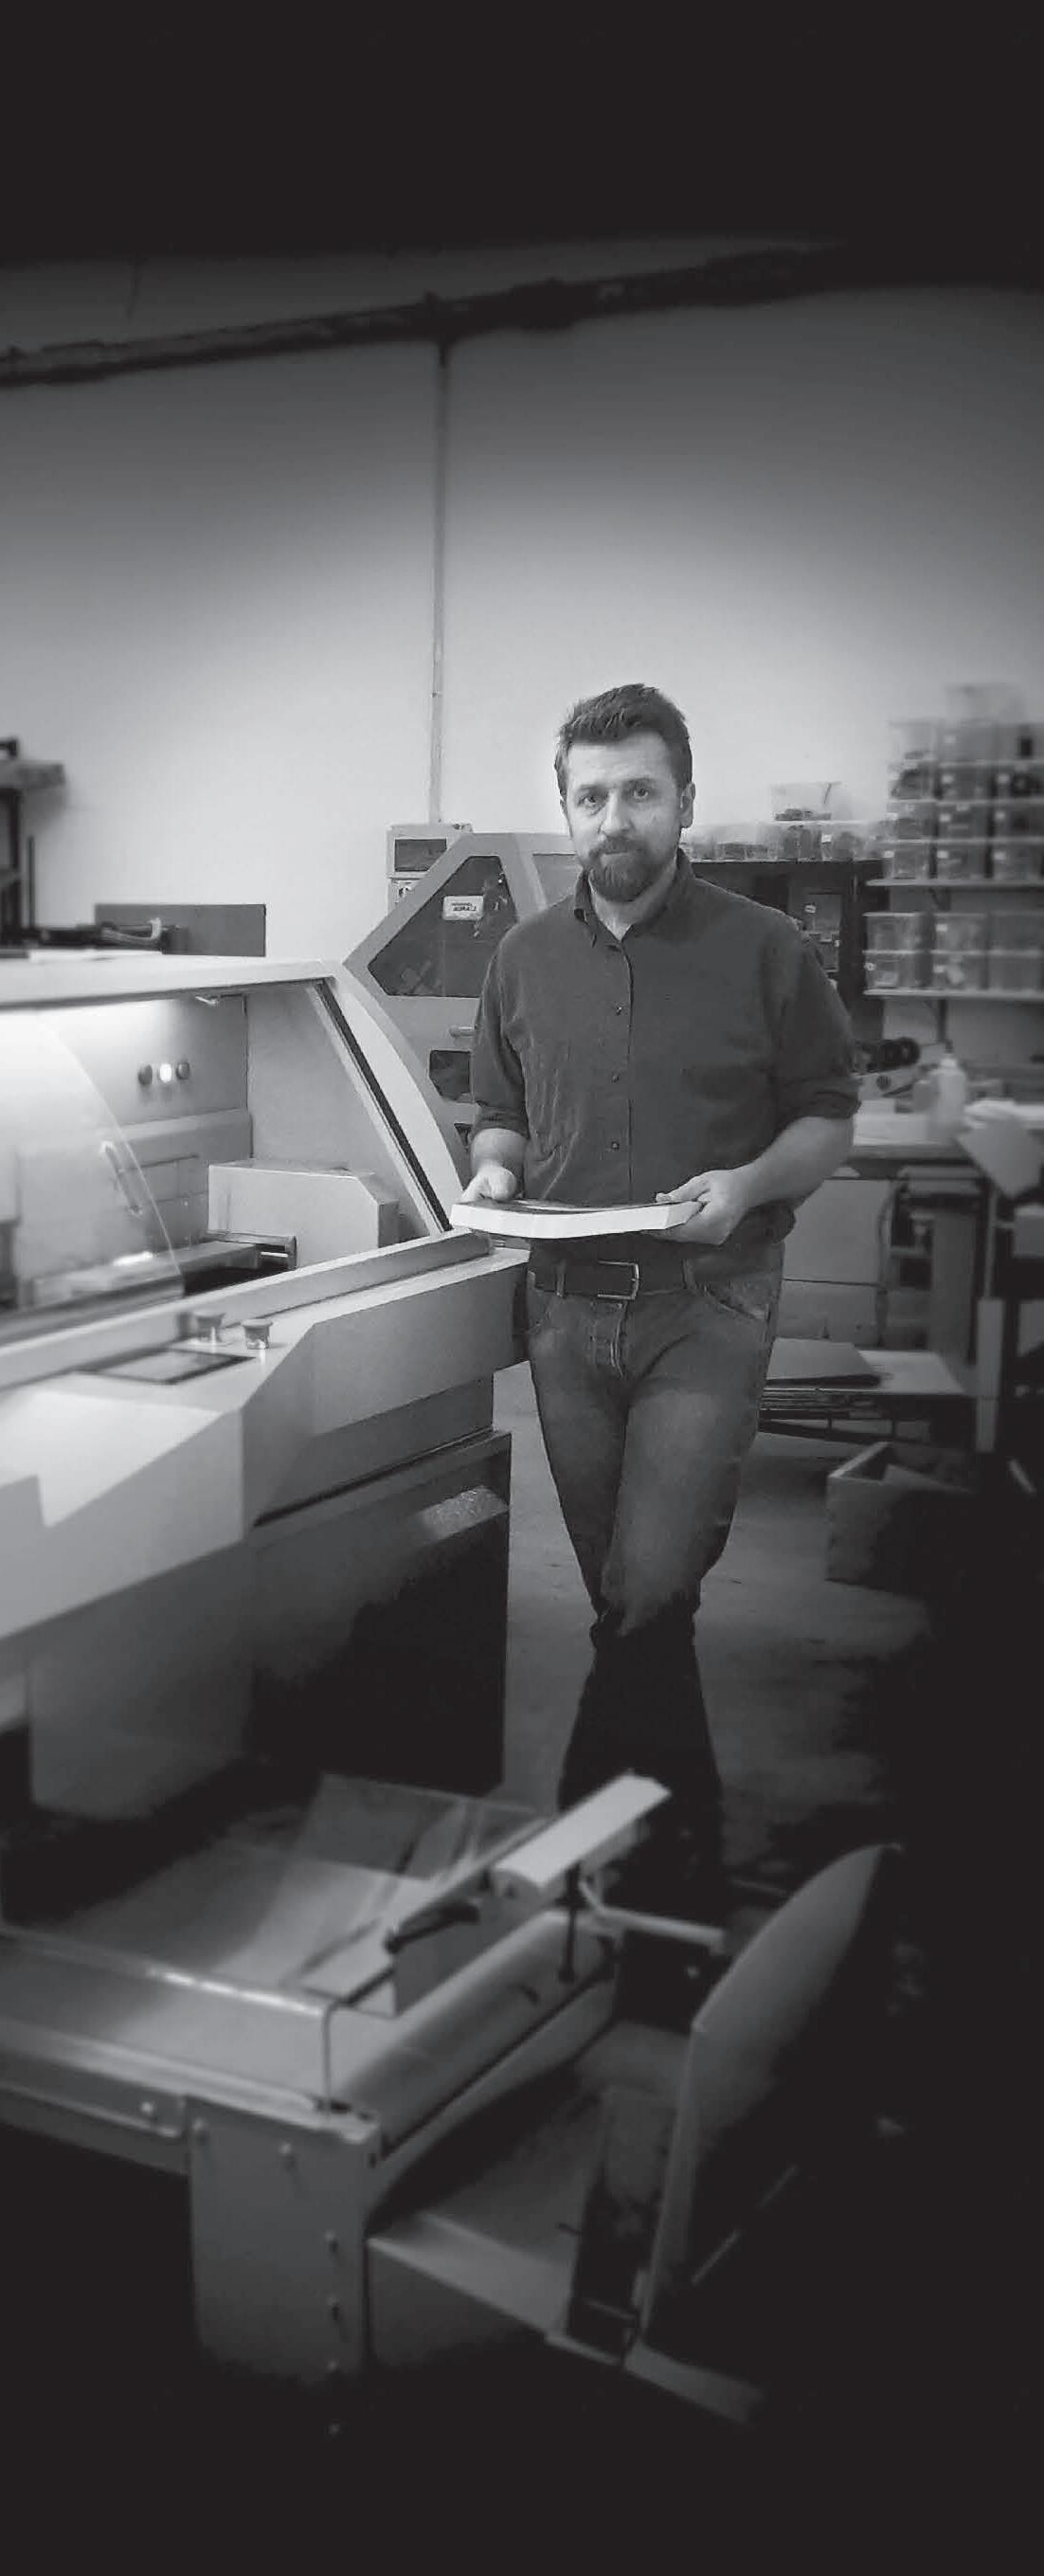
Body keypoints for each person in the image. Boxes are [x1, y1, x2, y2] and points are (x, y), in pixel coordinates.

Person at [460, 682, 860, 1911]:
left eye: (639, 791)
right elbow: (502, 1115)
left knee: (646, 1591)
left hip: (706, 1304)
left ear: (685, 801)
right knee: (632, 1606)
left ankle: (589, 1851)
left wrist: (747, 1185)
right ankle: (672, 1861)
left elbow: (827, 1116)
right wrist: (492, 1173)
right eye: (591, 796)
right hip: (565, 1315)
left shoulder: (766, 950)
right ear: (565, 809)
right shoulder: (521, 958)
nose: (613, 818)